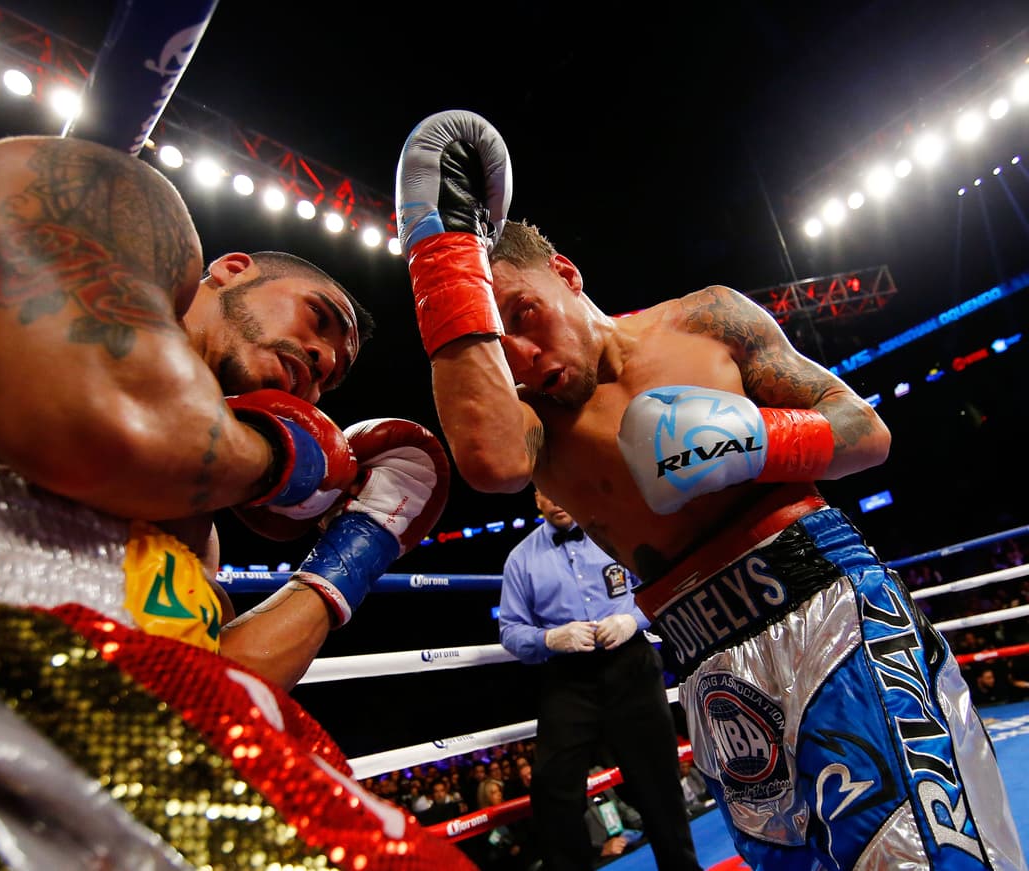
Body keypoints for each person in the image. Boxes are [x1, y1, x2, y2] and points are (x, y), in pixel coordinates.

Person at [0, 134, 466, 868]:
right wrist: (290, 451)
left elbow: (217, 683)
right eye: (318, 320)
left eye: (330, 380)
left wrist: (361, 544)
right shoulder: (113, 193)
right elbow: (98, 426)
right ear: (230, 269)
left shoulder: (188, 526)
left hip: (73, 730)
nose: (318, 363)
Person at [394, 109, 1025, 870]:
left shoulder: (706, 319)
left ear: (565, 273)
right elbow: (489, 459)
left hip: (829, 603)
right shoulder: (532, 426)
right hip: (711, 667)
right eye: (504, 344)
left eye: (525, 314)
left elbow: (865, 431)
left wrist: (756, 440)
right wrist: (439, 251)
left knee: (924, 856)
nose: (525, 358)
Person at [499, 488, 700, 871]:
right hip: (568, 676)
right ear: (536, 500)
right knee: (553, 783)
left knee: (657, 780)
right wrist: (548, 638)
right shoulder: (521, 559)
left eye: (561, 489)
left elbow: (658, 587)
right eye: (546, 494)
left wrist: (633, 620)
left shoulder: (616, 532)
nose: (557, 500)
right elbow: (509, 629)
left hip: (631, 665)